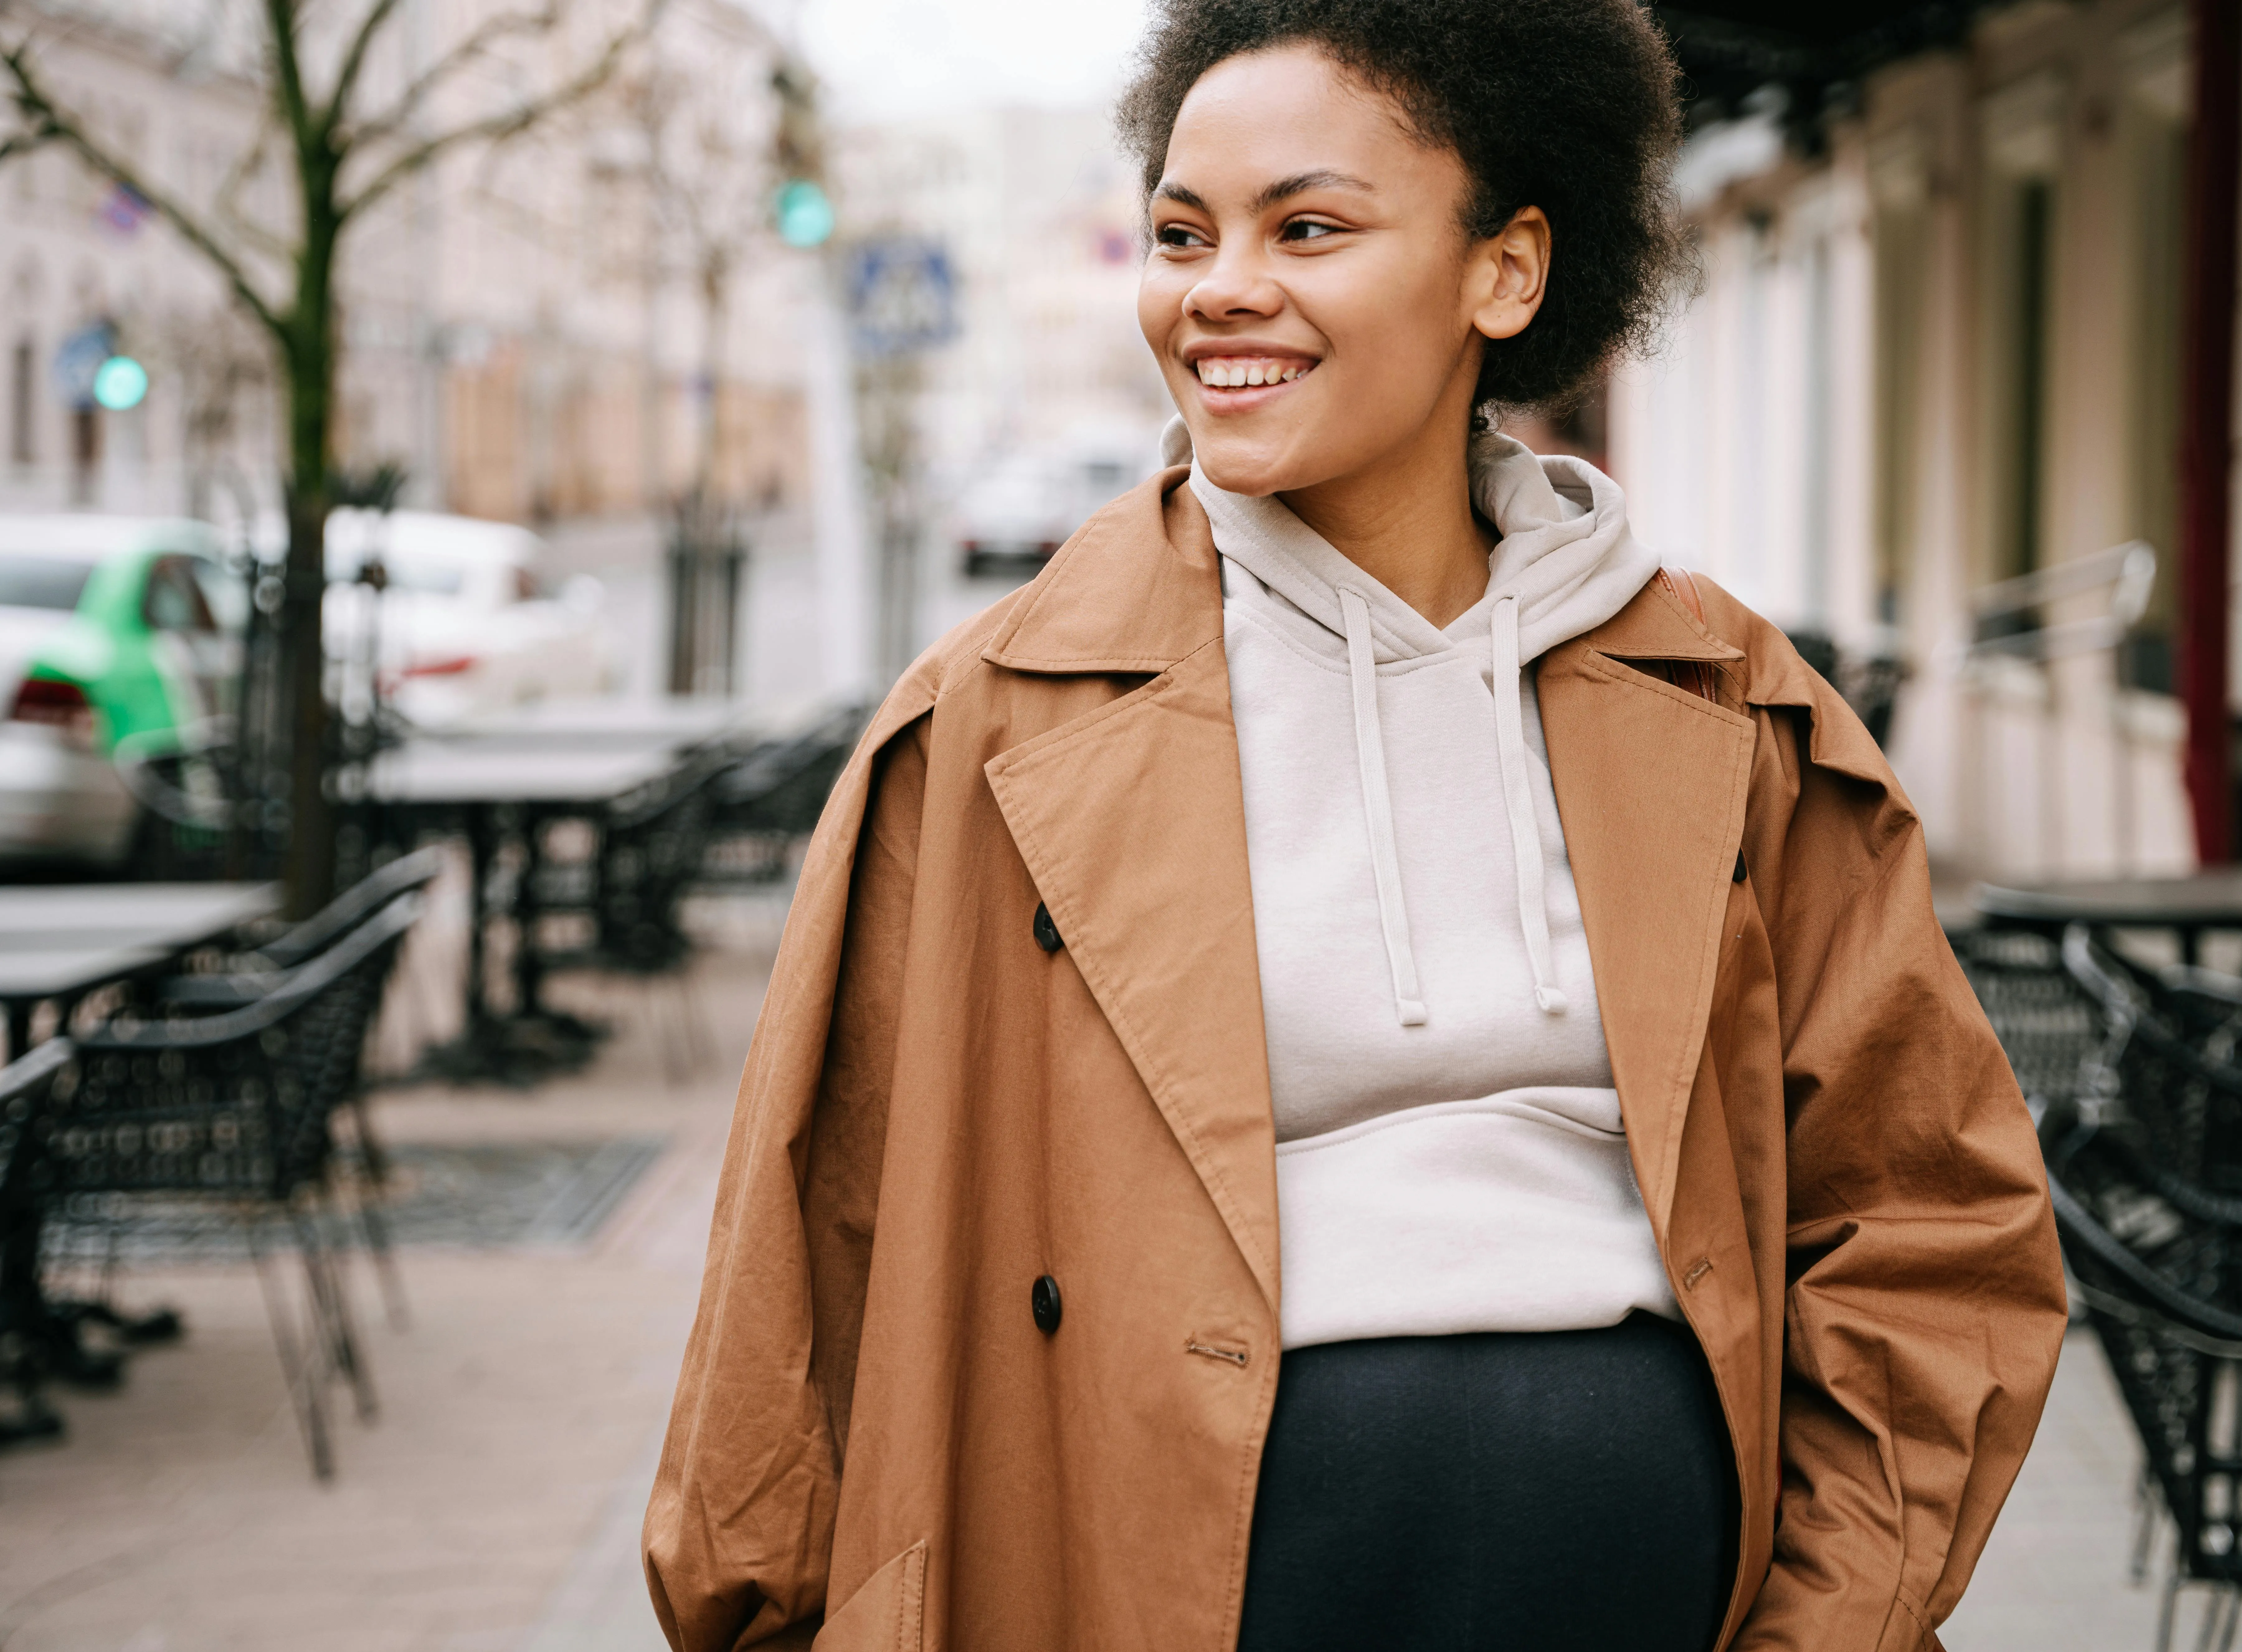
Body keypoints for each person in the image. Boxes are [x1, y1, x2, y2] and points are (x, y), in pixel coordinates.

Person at [644, 3, 2068, 1649]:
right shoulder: (998, 721)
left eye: (1305, 226)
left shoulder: (1725, 703)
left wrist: (1831, 1620)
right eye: (1183, 232)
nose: (1218, 286)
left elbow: (1930, 1214)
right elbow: (798, 1281)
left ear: (1507, 272)